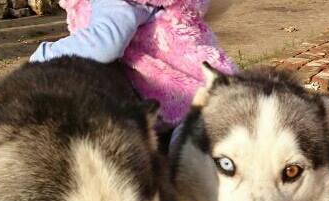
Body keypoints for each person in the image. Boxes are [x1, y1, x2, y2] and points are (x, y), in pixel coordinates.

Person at [30, 0, 235, 141]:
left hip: (190, 103)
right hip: (204, 91)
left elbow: (104, 44)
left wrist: (43, 55)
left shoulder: (118, 3)